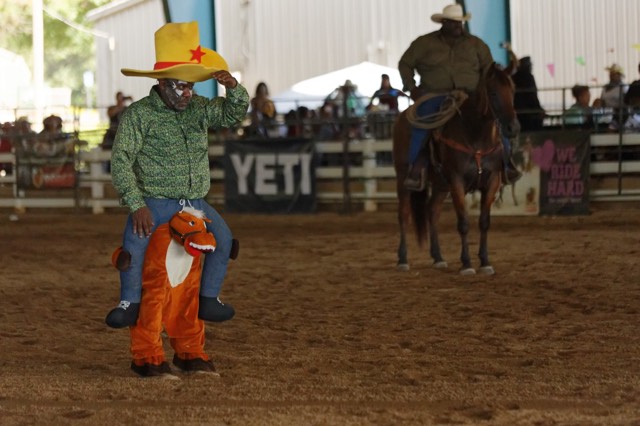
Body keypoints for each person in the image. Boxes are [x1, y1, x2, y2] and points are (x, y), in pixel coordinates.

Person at [104, 21, 250, 329]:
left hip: (194, 201)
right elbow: (121, 160)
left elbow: (231, 115)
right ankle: (129, 301)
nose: (187, 93)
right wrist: (136, 203)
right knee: (135, 243)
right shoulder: (139, 115)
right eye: (180, 86)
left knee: (223, 239)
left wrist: (233, 89)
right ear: (161, 84)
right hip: (155, 201)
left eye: (190, 86)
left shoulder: (198, 107)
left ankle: (208, 298)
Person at [398, 3, 522, 191]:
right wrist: (412, 88)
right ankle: (416, 166)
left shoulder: (476, 45)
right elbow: (405, 64)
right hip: (435, 95)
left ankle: (506, 163)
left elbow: (489, 71)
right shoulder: (423, 44)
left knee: (495, 121)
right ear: (444, 22)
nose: (458, 26)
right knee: (422, 122)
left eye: (460, 22)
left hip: (470, 96)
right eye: (454, 23)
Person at [511, 56, 545, 132]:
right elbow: (532, 96)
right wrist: (539, 109)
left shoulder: (513, 77)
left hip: (517, 113)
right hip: (529, 114)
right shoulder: (529, 77)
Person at [596, 63, 628, 129]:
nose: (611, 75)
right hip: (605, 113)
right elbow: (602, 101)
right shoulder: (605, 87)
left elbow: (626, 103)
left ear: (619, 75)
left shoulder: (623, 88)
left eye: (614, 73)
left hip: (617, 115)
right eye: (610, 73)